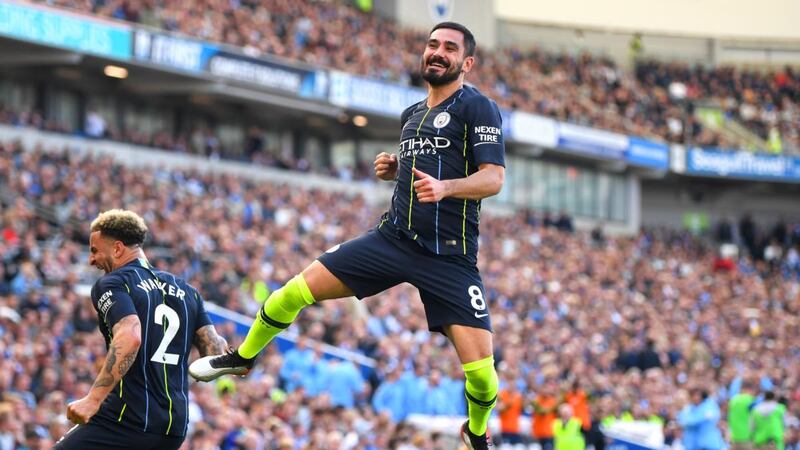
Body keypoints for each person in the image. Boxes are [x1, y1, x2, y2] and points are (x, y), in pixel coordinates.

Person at [190, 21, 505, 450]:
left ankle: (476, 431)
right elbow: (428, 165)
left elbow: (494, 178)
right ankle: (242, 358)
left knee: (483, 377)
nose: (437, 52)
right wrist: (397, 170)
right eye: (432, 44)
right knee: (292, 292)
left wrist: (446, 188)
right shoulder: (410, 116)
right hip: (392, 239)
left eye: (449, 48)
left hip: (450, 256)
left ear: (465, 62)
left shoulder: (479, 108)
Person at [54, 210, 229, 450]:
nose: (91, 260)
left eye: (95, 250)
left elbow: (130, 335)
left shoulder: (114, 283)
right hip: (174, 428)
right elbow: (215, 352)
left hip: (128, 418)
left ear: (117, 248)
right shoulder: (187, 290)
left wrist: (93, 399)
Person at [728, 380, 756, 450]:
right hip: (747, 438)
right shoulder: (750, 400)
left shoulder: (733, 400)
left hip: (734, 438)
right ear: (749, 389)